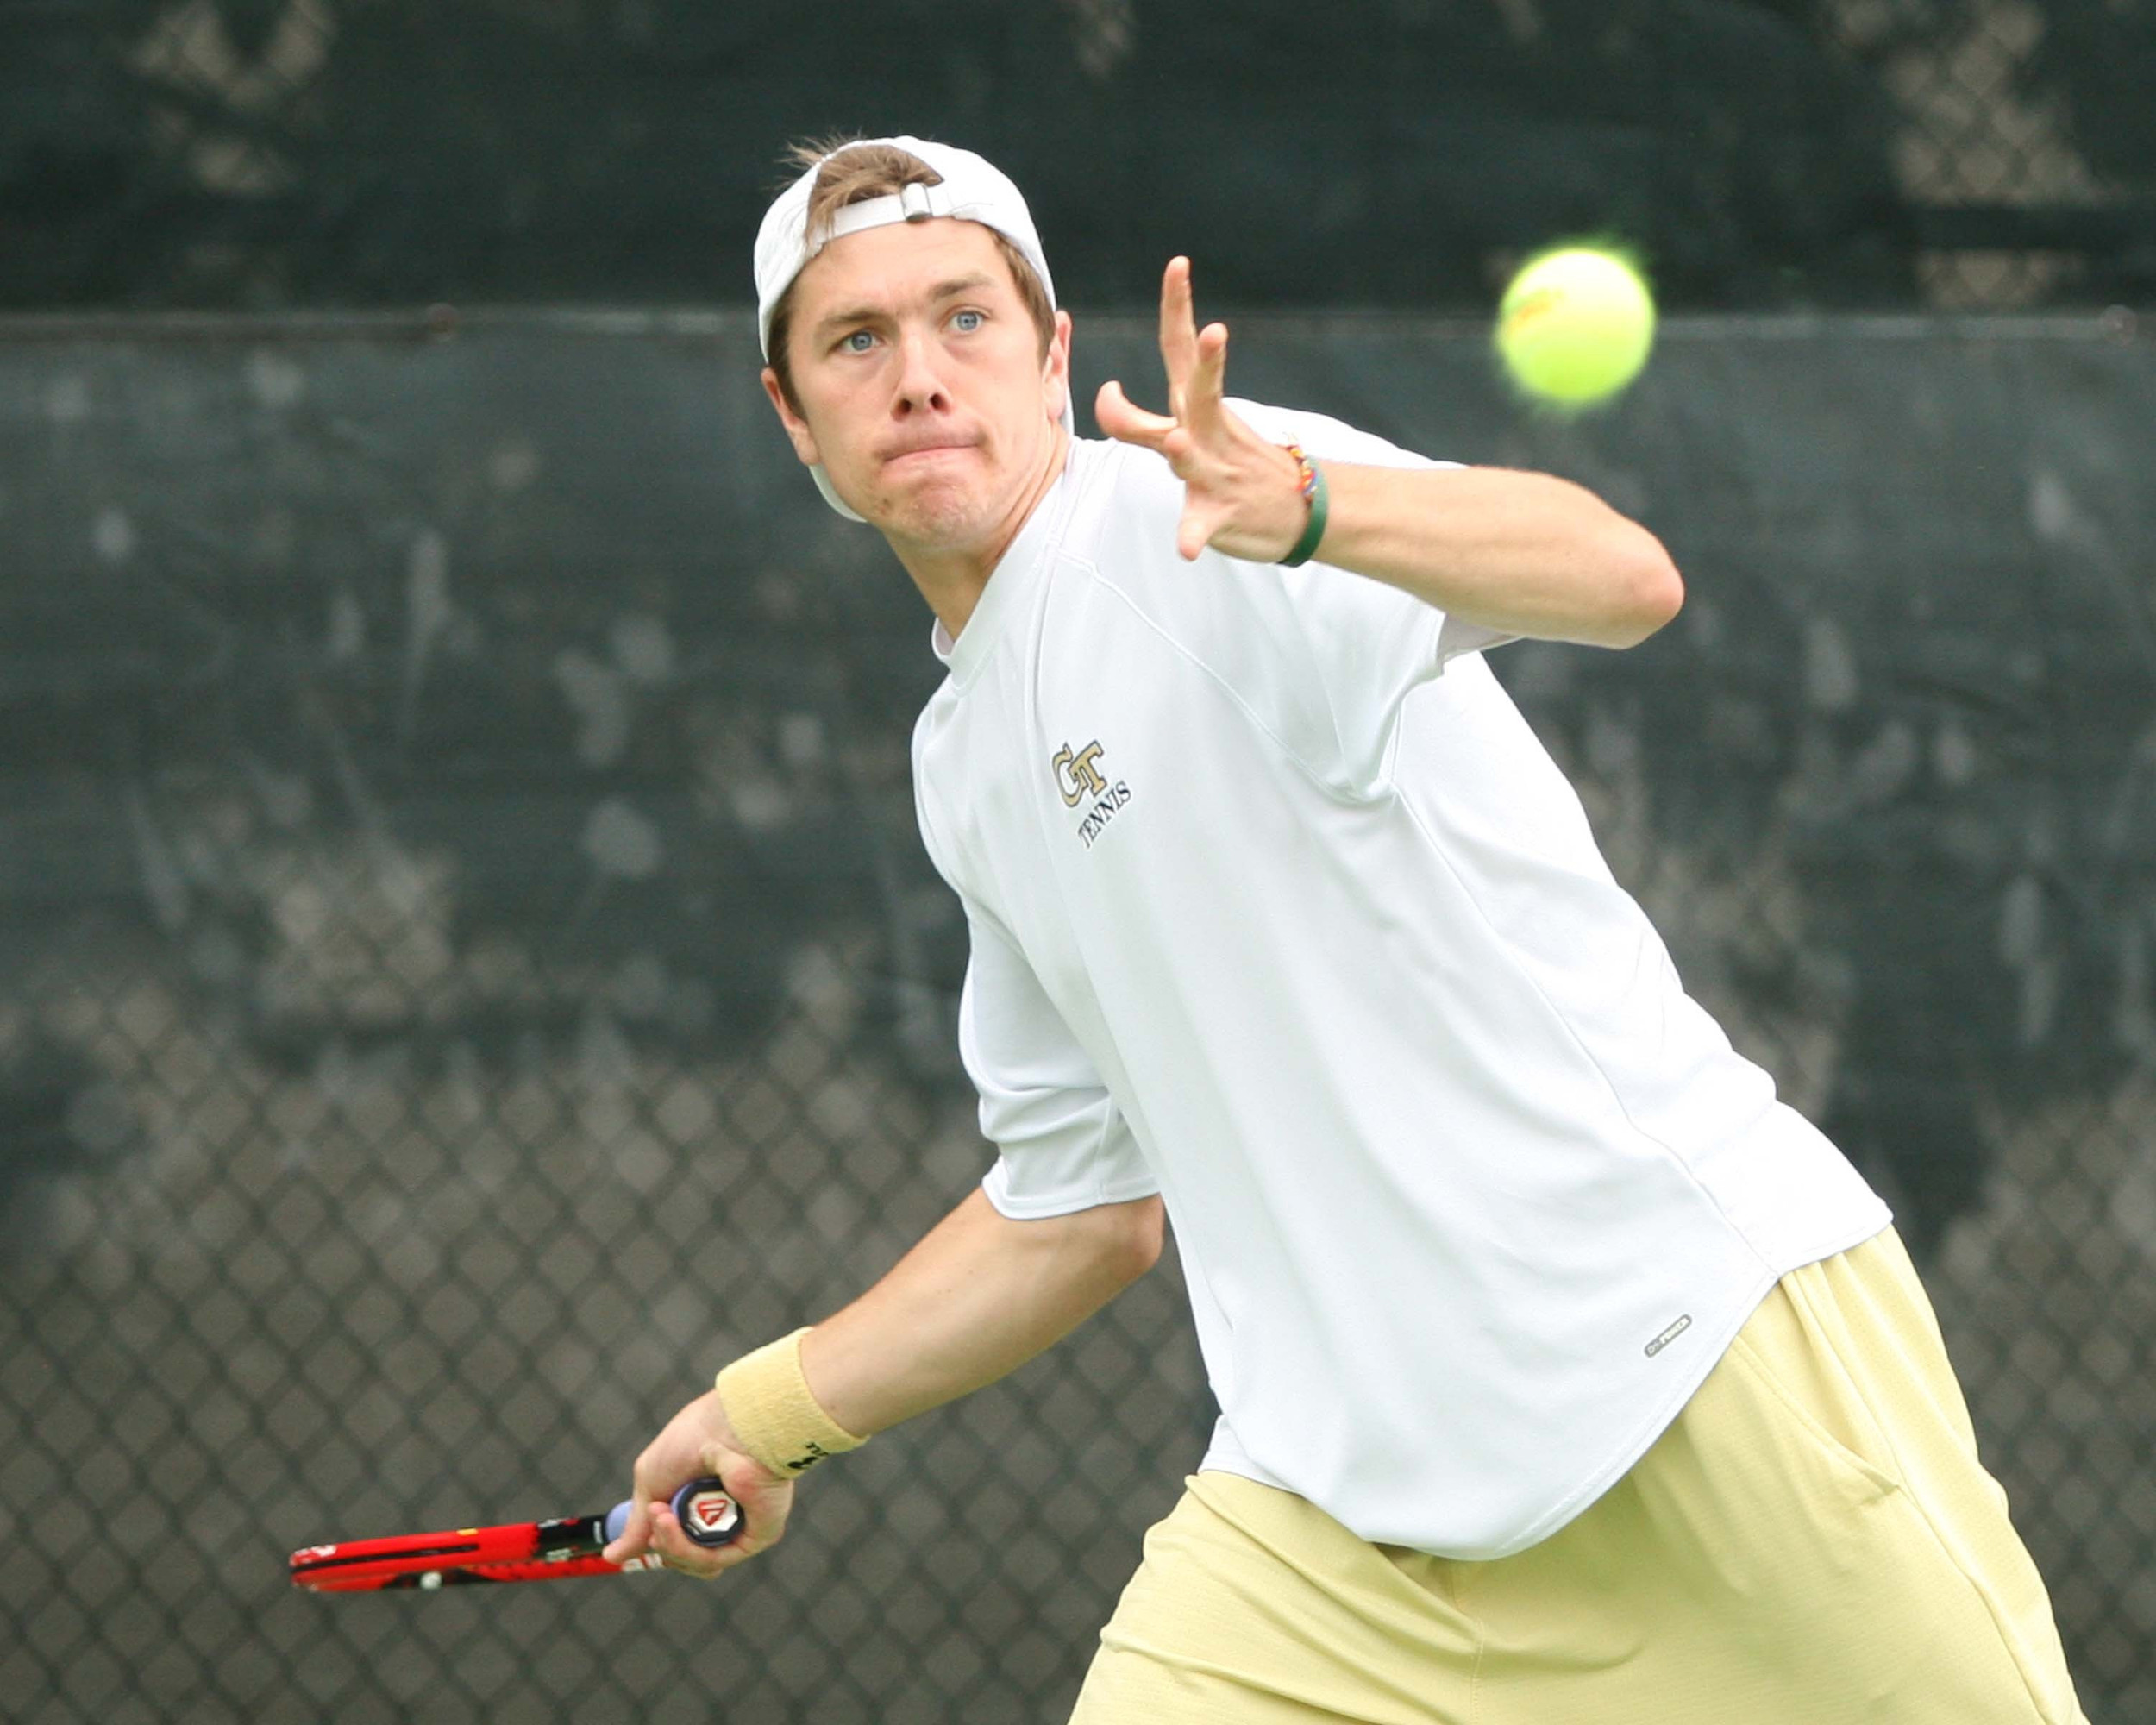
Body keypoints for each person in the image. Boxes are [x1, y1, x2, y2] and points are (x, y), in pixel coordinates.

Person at [604, 135, 2088, 1725]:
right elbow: (1078, 1211)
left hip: (1690, 1368)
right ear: (794, 418)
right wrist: (766, 1412)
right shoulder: (964, 766)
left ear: (1052, 355)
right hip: (1344, 1525)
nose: (917, 377)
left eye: (963, 319)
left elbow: (1623, 579)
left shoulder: (1206, 516)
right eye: (857, 341)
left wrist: (1307, 506)